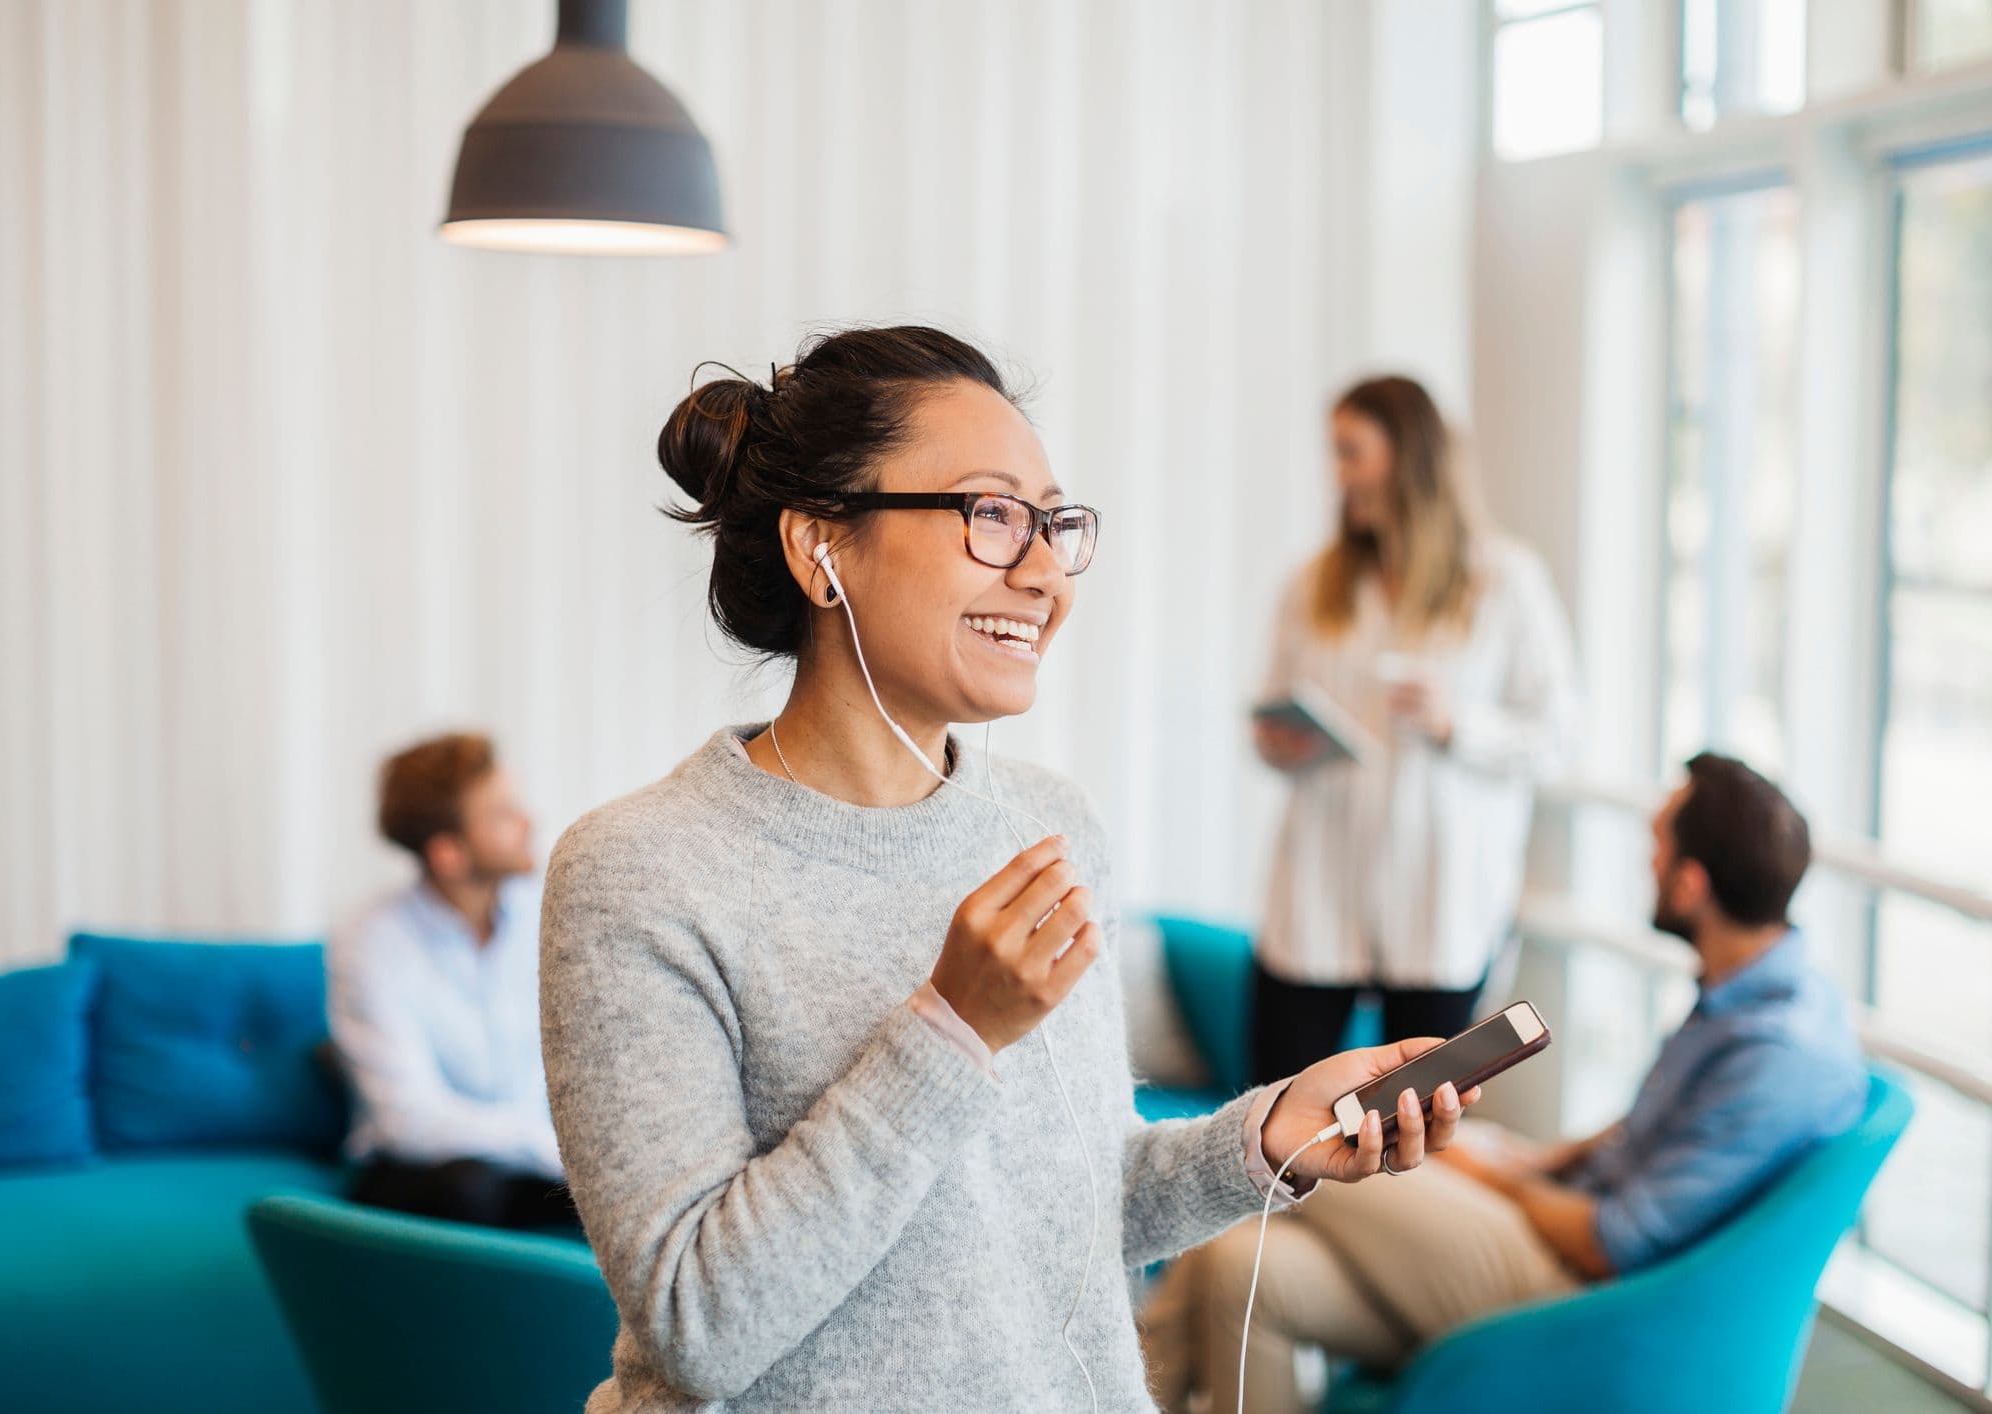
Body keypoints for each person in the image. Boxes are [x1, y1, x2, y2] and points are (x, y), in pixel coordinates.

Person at [538, 327, 1482, 1412]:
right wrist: (951, 1028)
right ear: (820, 549)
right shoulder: (640, 873)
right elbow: (701, 1323)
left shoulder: (1050, 822)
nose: (1044, 575)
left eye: (1055, 523)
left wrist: (1272, 1135)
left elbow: (1072, 1206)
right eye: (991, 516)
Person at [1142, 753, 1868, 1414]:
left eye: (1656, 845)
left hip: (1586, 1300)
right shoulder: (1767, 994)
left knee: (1303, 1150)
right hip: (1566, 1239)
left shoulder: (1772, 1055)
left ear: (1690, 883)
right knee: (1238, 1269)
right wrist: (1539, 1160)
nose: (1644, 862)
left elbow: (1608, 1244)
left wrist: (1493, 1178)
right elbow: (1664, 1131)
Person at [1251, 375, 1579, 1080]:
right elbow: (1270, 713)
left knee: (1418, 1120)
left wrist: (1454, 724)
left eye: (1350, 452)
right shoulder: (1313, 584)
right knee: (1273, 1106)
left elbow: (1554, 739)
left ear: (1409, 456)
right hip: (1318, 893)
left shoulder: (1505, 582)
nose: (1337, 475)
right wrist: (1281, 743)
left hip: (1441, 907)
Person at [327, 732, 573, 1230]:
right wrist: (547, 1147)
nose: (529, 822)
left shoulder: (547, 912)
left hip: (534, 1162)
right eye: (503, 815)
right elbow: (409, 1119)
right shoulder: (371, 941)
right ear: (448, 854)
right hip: (418, 1167)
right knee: (471, 1189)